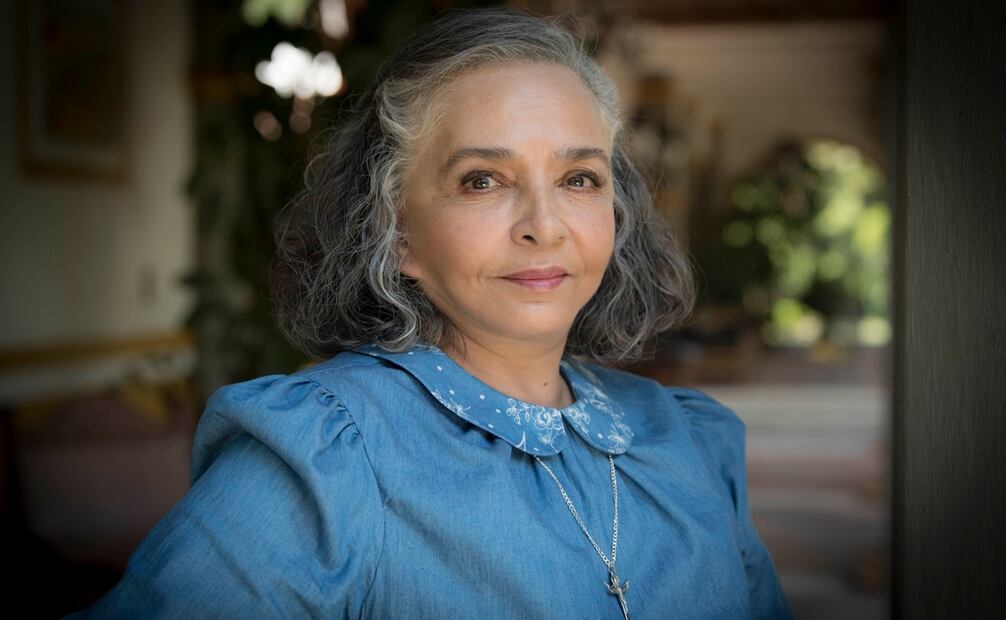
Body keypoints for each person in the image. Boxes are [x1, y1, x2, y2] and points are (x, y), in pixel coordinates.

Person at [68, 8, 794, 619]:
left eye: (579, 178)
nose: (545, 226)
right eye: (482, 180)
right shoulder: (326, 455)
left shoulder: (689, 441)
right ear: (396, 231)